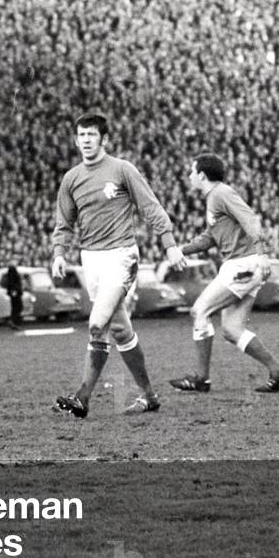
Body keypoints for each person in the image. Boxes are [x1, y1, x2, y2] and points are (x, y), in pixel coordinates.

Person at [50, 113, 187, 419]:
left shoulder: (123, 170)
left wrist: (169, 243)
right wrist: (60, 253)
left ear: (104, 139)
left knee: (97, 324)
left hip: (122, 256)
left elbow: (150, 206)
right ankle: (149, 396)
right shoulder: (71, 179)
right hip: (91, 260)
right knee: (121, 331)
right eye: (81, 135)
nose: (85, 140)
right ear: (76, 140)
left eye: (91, 135)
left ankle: (82, 396)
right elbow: (64, 221)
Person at [168, 154, 279, 394]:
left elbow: (250, 219)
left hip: (242, 264)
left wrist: (262, 252)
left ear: (202, 175)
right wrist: (180, 251)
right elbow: (210, 237)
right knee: (232, 330)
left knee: (200, 310)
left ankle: (201, 379)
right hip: (243, 264)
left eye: (192, 171)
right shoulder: (214, 198)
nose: (190, 176)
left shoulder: (221, 193)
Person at [4, 263, 24, 329]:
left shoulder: (9, 276)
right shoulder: (14, 276)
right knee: (18, 308)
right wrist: (15, 291)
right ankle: (13, 321)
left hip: (14, 294)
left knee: (15, 308)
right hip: (16, 294)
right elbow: (15, 285)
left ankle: (14, 322)